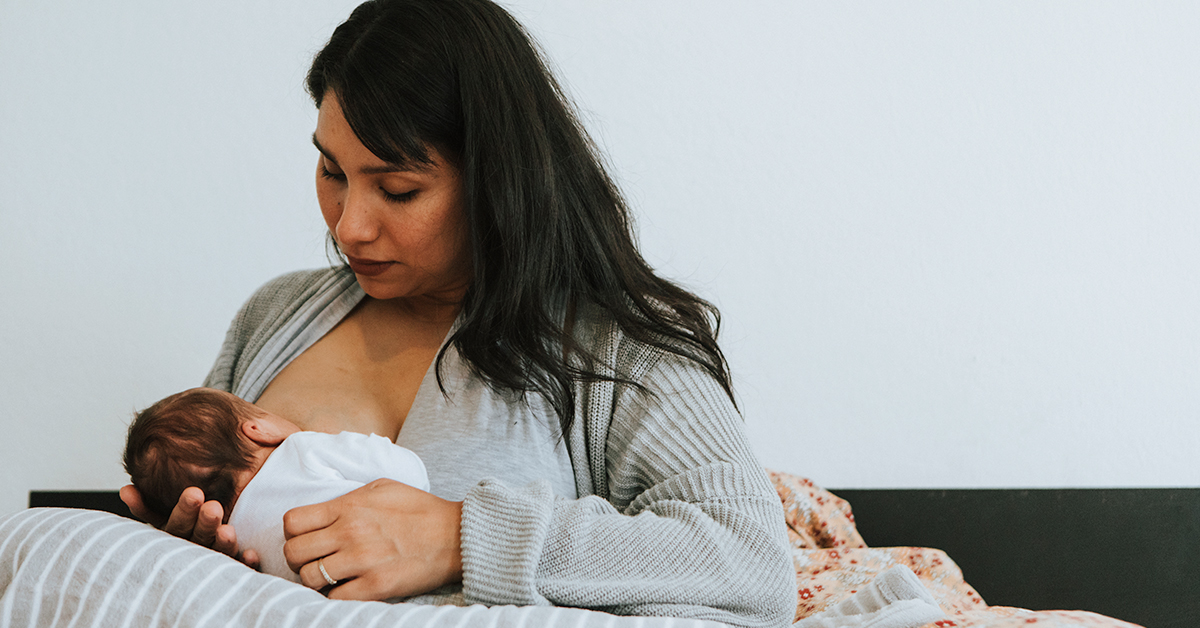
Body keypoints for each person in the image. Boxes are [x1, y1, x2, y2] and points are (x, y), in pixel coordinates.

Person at [119, 0, 796, 626]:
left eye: (398, 188)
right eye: (332, 172)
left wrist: (461, 538)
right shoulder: (275, 316)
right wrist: (192, 551)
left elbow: (752, 561)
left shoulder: (619, 348)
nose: (349, 226)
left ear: (496, 181)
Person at [123, 387, 429, 583]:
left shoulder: (237, 544)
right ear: (258, 429)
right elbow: (410, 473)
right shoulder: (302, 449)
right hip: (406, 572)